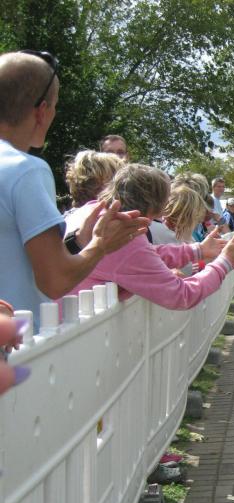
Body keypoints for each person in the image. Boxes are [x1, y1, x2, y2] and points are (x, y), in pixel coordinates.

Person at [0, 50, 148, 327]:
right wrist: (101, 244)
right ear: (42, 111)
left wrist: (78, 242)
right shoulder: (26, 169)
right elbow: (55, 280)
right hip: (18, 342)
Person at [68, 163, 234, 308]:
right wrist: (226, 262)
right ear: (158, 202)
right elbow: (182, 295)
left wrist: (198, 250)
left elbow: (146, 253)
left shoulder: (93, 211)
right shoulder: (127, 236)